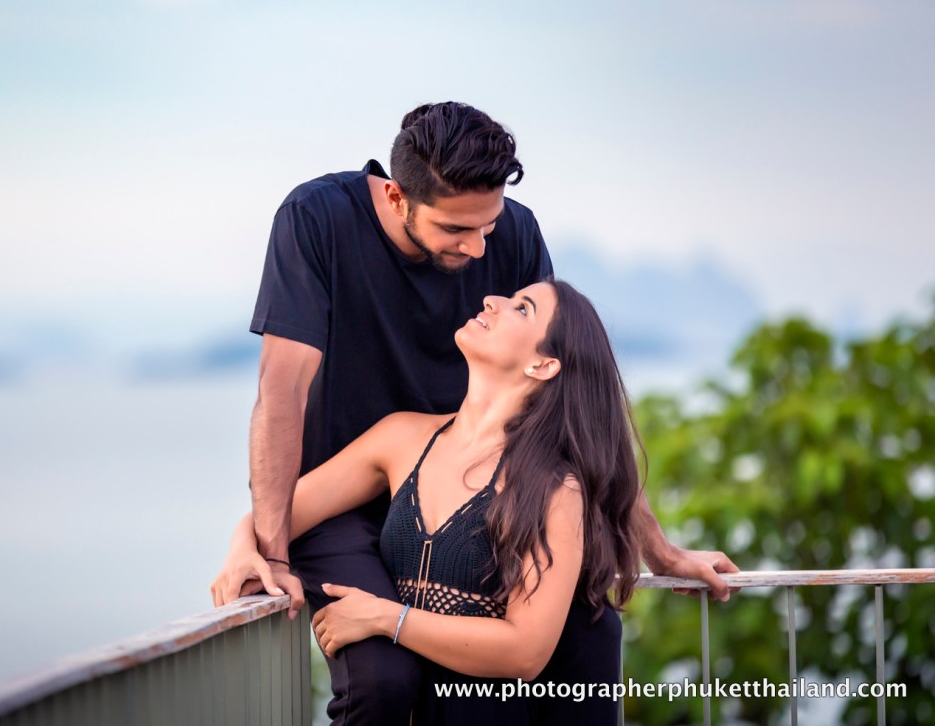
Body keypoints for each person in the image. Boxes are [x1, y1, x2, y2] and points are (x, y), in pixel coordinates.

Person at [237, 102, 736, 725]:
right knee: (383, 680)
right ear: (397, 198)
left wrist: (658, 549)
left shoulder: (514, 234)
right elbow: (282, 392)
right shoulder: (315, 221)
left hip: (476, 489)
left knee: (589, 626)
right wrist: (266, 546)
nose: (478, 250)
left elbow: (575, 402)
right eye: (456, 231)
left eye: (488, 226)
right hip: (342, 497)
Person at [215, 279, 638, 723]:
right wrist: (243, 547)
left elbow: (525, 652)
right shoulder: (402, 438)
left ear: (543, 365)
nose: (491, 300)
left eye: (522, 309)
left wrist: (386, 619)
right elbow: (286, 511)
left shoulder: (554, 487)